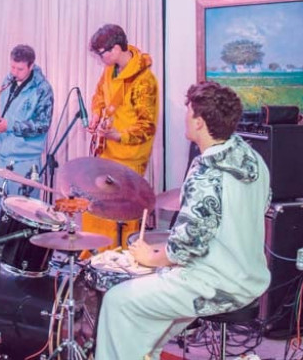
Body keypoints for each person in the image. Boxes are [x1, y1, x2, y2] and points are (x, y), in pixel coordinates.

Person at [94, 81, 271, 359]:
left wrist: (151, 257)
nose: (185, 119)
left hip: (216, 284)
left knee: (118, 300)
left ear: (199, 122)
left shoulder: (206, 174)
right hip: (250, 275)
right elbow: (261, 205)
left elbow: (186, 247)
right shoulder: (252, 157)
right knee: (152, 312)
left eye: (188, 113)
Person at [83, 24, 159, 249]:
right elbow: (99, 95)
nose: (101, 58)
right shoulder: (110, 70)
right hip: (106, 152)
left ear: (115, 49)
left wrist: (119, 135)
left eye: (102, 54)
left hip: (129, 158)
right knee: (96, 209)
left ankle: (118, 258)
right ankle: (95, 256)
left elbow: (147, 127)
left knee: (120, 217)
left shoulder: (145, 81)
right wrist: (96, 114)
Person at [0, 44, 54, 249]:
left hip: (25, 160)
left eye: (20, 69)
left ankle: (17, 257)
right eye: (12, 67)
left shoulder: (43, 89)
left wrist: (11, 126)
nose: (14, 73)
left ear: (31, 66)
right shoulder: (8, 80)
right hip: (0, 155)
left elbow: (43, 125)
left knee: (22, 215)